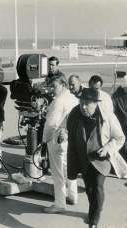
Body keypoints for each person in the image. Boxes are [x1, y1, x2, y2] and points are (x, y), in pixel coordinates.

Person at [67, 88, 126, 228]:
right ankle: (93, 210)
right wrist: (62, 132)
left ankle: (94, 221)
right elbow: (68, 131)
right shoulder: (75, 114)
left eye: (87, 103)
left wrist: (108, 148)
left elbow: (119, 137)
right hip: (83, 159)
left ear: (96, 103)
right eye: (81, 102)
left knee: (97, 187)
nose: (83, 106)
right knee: (89, 189)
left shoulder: (107, 116)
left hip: (101, 160)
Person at [43, 75, 79, 213]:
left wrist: (44, 140)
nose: (52, 89)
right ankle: (73, 196)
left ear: (63, 85)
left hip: (57, 138)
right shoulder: (73, 98)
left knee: (57, 172)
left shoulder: (58, 101)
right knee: (69, 168)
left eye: (54, 86)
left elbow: (51, 124)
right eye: (51, 86)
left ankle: (59, 204)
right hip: (70, 137)